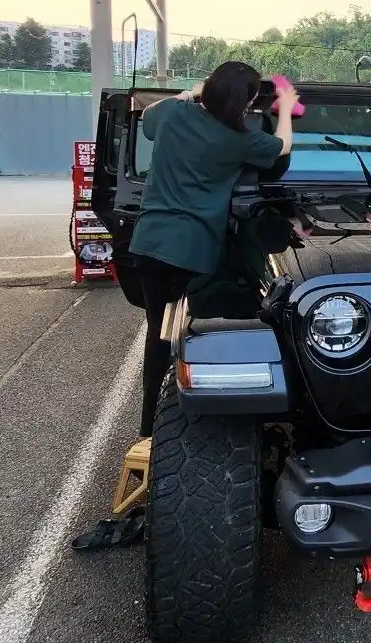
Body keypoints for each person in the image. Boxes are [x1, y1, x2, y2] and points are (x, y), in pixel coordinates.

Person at [129, 60, 299, 439]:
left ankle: (147, 424)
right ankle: (196, 409)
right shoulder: (237, 139)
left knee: (158, 329)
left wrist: (190, 93)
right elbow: (283, 147)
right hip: (192, 249)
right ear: (245, 101)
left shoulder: (173, 113)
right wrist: (285, 108)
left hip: (149, 242)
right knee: (198, 331)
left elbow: (149, 116)